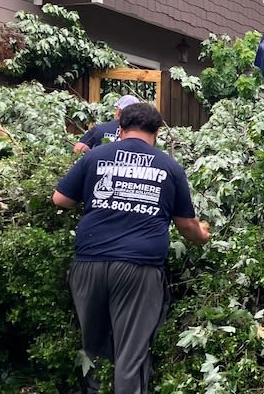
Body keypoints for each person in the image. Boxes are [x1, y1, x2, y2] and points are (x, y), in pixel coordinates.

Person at [53, 102, 210, 394]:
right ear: (157, 132)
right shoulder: (168, 166)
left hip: (89, 263)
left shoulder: (95, 157)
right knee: (131, 353)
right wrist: (202, 236)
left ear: (120, 128)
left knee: (94, 348)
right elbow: (187, 227)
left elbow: (60, 199)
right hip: (139, 269)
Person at [74, 94, 141, 153]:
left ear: (119, 111)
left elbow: (78, 148)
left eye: (116, 108)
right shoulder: (143, 134)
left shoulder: (100, 129)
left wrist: (92, 154)